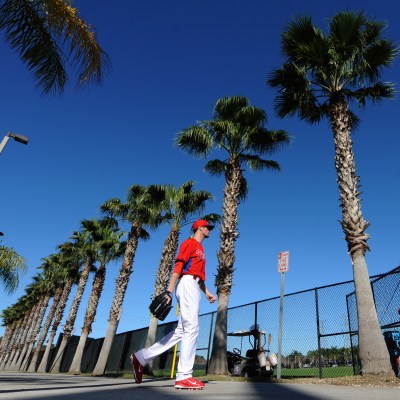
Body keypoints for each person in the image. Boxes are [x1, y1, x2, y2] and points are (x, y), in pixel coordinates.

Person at [130, 219, 217, 390]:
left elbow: (197, 274)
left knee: (182, 331)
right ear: (199, 228)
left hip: (194, 286)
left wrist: (207, 293)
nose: (209, 230)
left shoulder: (202, 249)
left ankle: (141, 357)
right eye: (208, 227)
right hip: (186, 285)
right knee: (192, 328)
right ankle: (184, 376)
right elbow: (179, 265)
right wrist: (169, 291)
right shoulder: (189, 243)